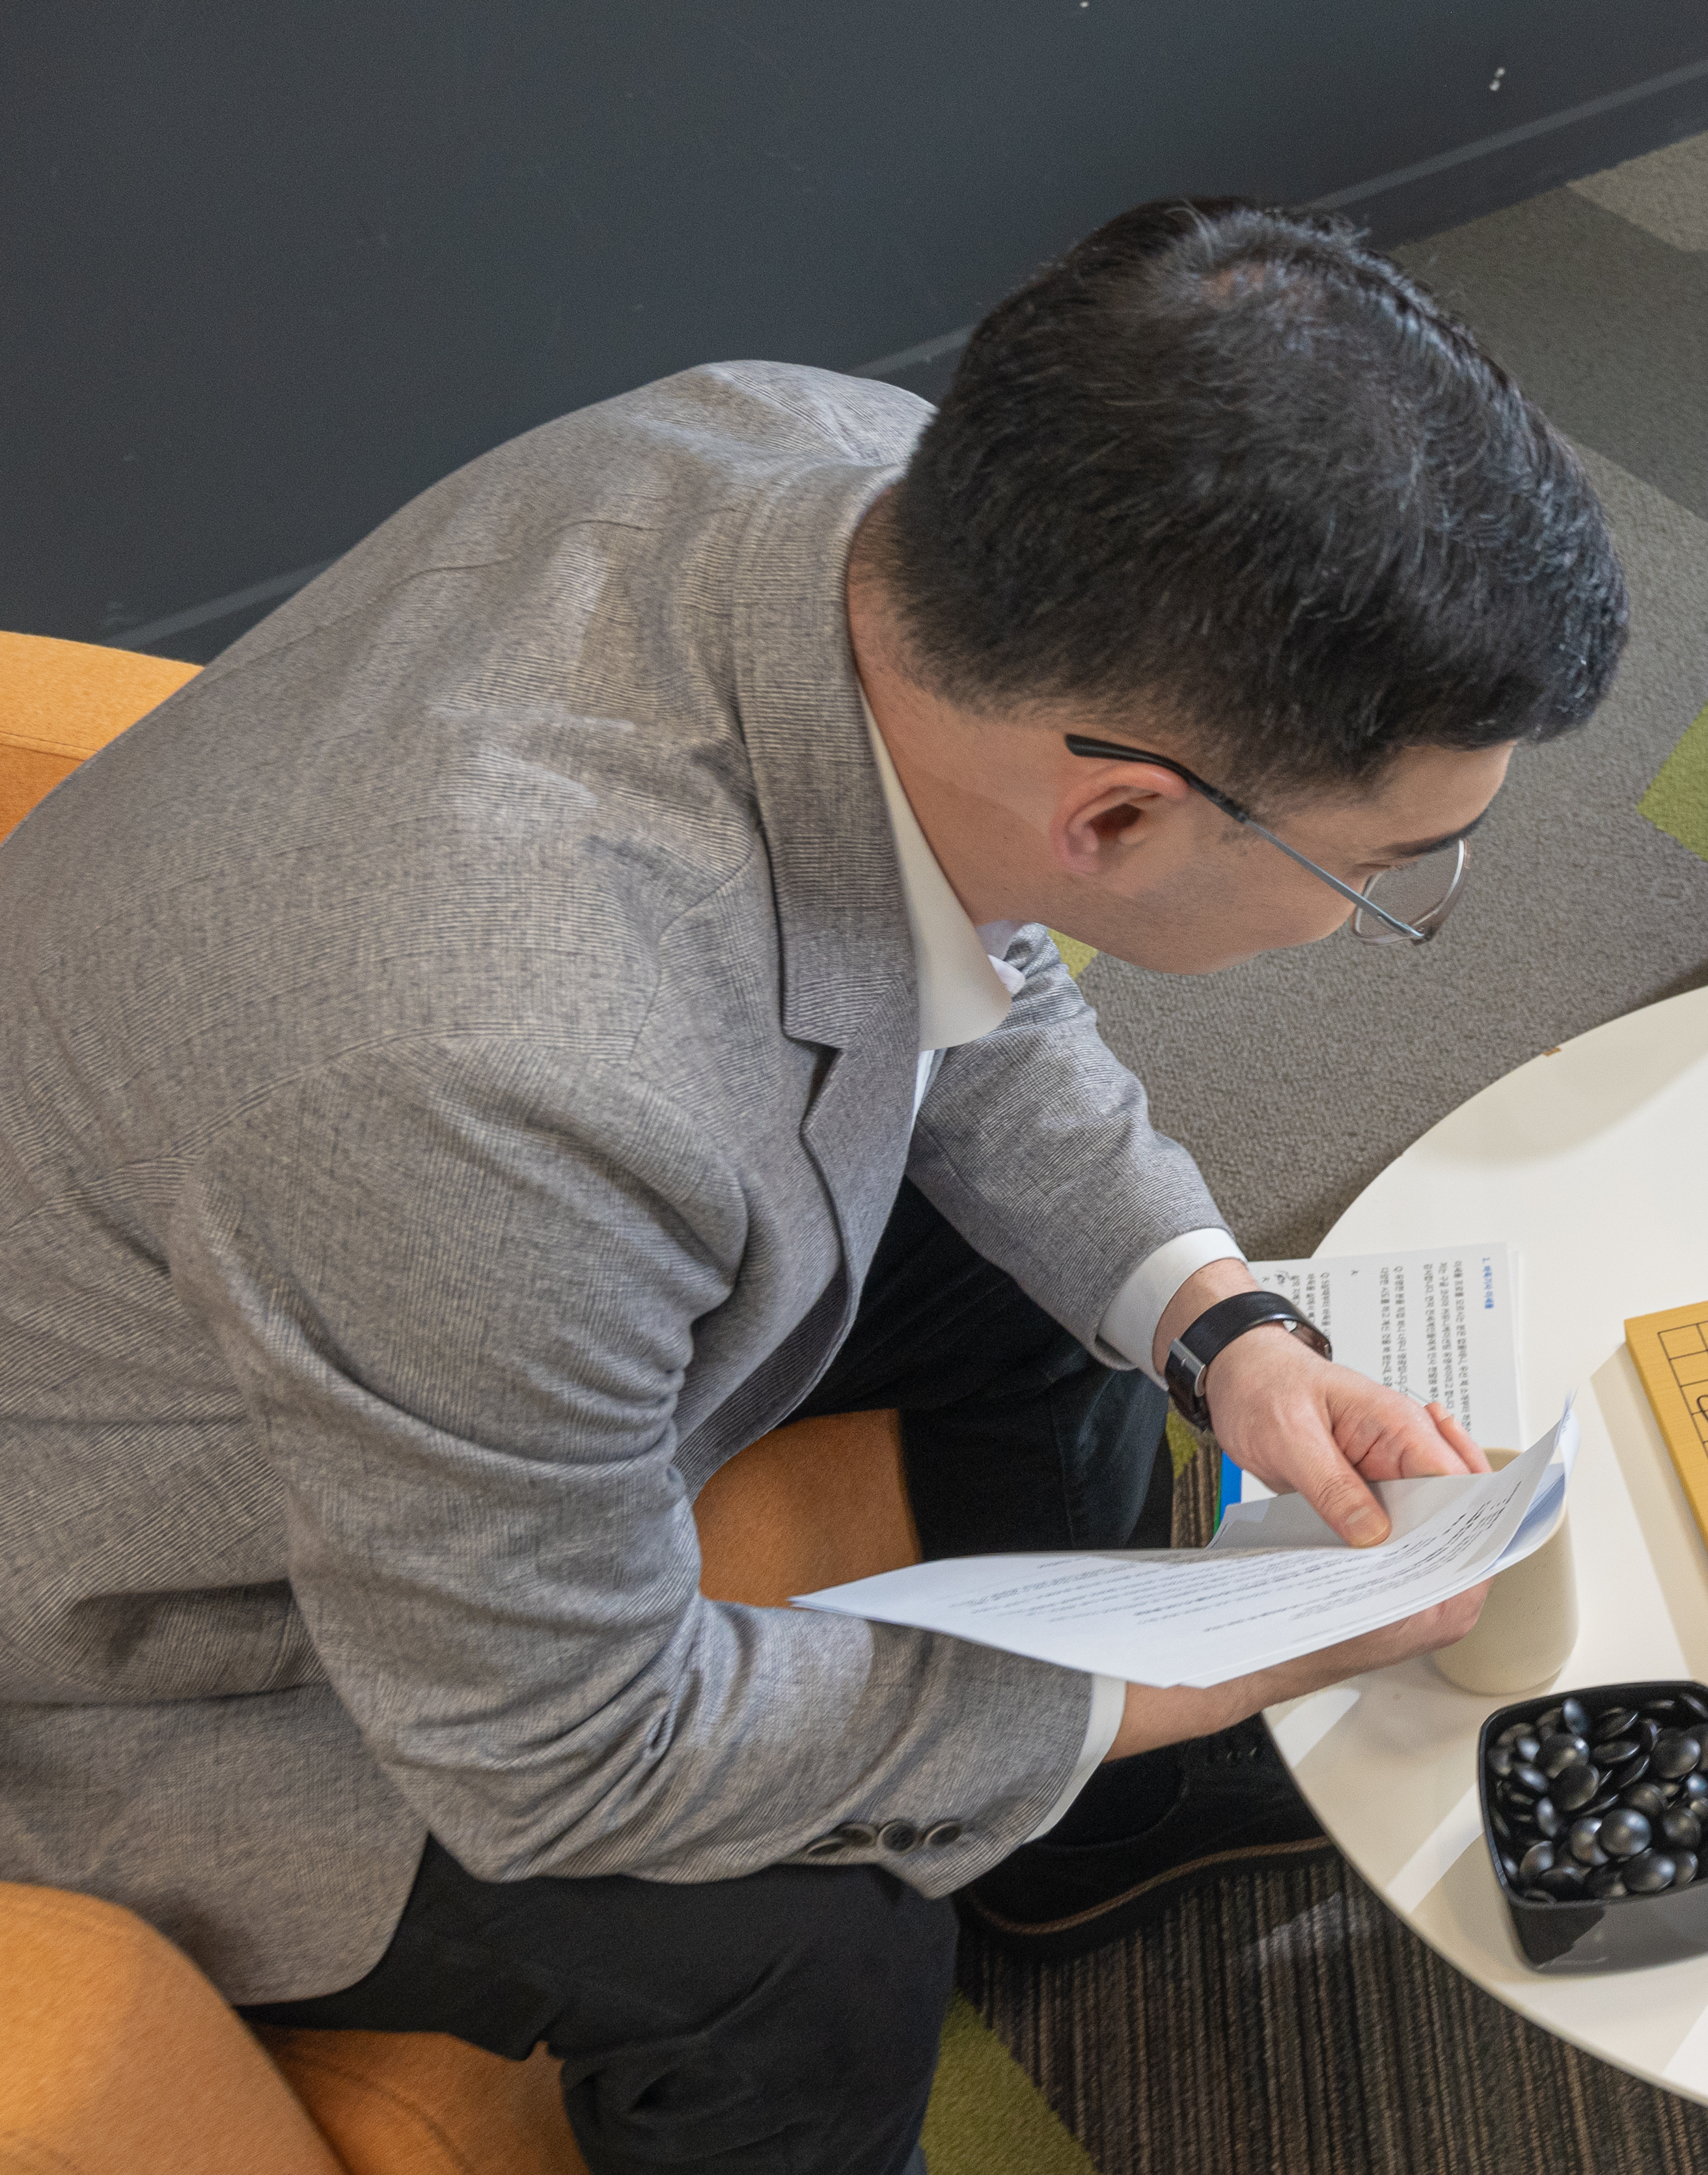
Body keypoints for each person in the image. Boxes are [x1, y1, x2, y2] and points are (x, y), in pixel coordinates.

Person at [0, 198, 1625, 2174]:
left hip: (411, 1252)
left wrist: (1222, 1318)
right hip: (139, 1612)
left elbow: (969, 956)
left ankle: (1074, 1841)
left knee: (1050, 1297)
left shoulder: (844, 480)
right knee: (813, 1951)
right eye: (1405, 869)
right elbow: (570, 1754)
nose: (1411, 908)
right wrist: (1238, 1659)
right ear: (1121, 810)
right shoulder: (503, 1078)